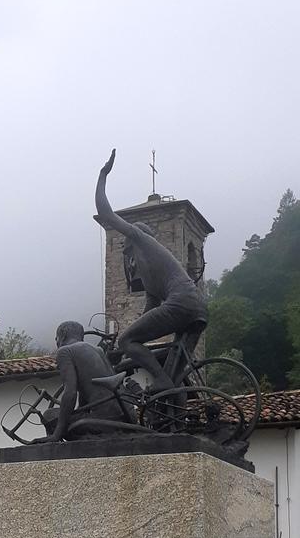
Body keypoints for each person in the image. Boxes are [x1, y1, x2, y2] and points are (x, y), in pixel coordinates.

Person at [95, 149, 208, 391]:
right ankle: (171, 404)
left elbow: (106, 214)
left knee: (129, 341)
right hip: (196, 308)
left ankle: (161, 381)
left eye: (127, 250)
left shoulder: (143, 239)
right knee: (173, 376)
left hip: (181, 303)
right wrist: (121, 350)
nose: (128, 257)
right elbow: (149, 313)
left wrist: (102, 176)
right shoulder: (150, 279)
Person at [37, 320, 125, 442]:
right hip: (123, 417)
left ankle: (88, 440)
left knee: (50, 415)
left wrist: (56, 435)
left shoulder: (65, 351)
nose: (57, 342)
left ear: (62, 335)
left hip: (105, 421)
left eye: (56, 338)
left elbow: (70, 393)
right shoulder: (98, 350)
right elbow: (86, 395)